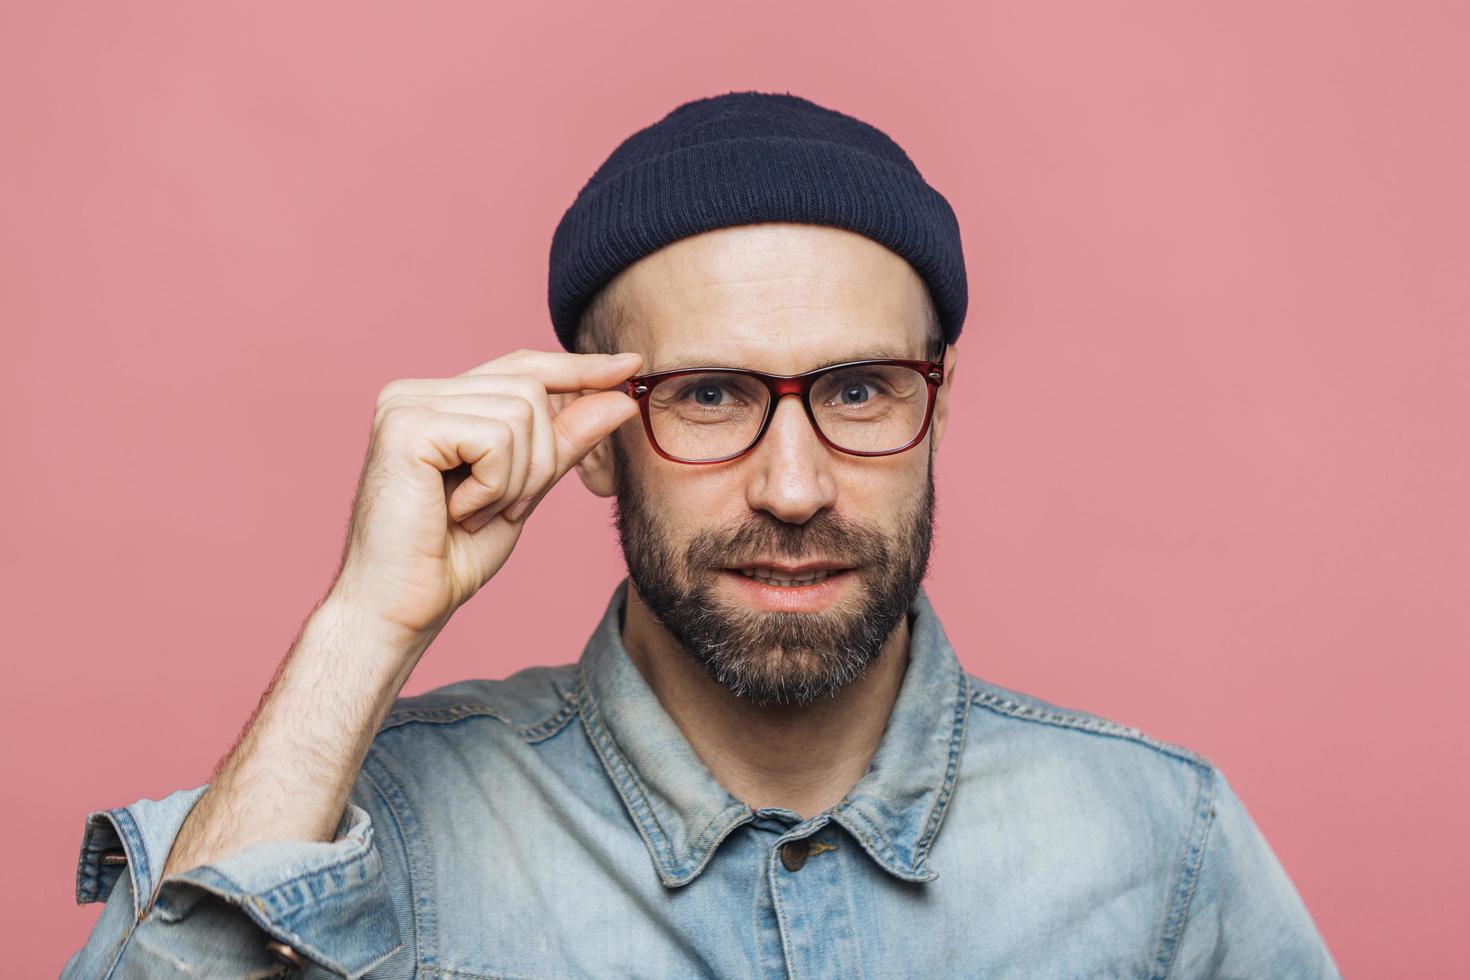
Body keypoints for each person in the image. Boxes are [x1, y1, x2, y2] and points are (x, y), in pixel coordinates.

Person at [63, 91, 1339, 979]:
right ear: (599, 438)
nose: (793, 487)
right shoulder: (372, 827)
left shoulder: (1156, 841)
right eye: (711, 396)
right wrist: (361, 624)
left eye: (856, 390)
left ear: (936, 409)